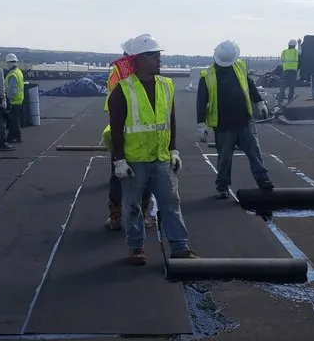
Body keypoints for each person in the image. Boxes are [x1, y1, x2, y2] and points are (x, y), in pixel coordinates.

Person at [108, 33, 198, 265]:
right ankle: (136, 248)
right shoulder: (122, 89)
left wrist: (174, 150)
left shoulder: (167, 86)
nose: (159, 59)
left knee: (171, 203)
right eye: (153, 56)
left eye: (159, 55)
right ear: (139, 59)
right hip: (135, 159)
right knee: (133, 205)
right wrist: (119, 160)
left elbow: (171, 120)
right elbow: (115, 128)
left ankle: (180, 248)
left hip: (161, 157)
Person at [196, 40, 273, 199]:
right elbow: (201, 100)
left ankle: (263, 179)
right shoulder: (207, 76)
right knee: (225, 157)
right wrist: (201, 123)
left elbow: (250, 86)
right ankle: (222, 186)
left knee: (254, 151)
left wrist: (259, 102)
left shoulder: (239, 67)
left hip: (244, 120)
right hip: (223, 124)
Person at [104, 37, 153, 232]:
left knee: (129, 176)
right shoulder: (126, 74)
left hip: (135, 130)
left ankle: (121, 216)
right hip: (128, 130)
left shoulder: (119, 72)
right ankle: (121, 215)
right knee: (125, 176)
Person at [4, 53, 25, 144]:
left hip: (14, 100)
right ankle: (13, 137)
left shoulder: (12, 75)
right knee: (15, 119)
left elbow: (11, 90)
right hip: (19, 99)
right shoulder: (18, 72)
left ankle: (14, 137)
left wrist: (8, 99)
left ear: (9, 63)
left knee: (13, 121)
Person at [279, 39, 300, 107]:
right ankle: (289, 102)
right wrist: (299, 43)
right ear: (294, 46)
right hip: (293, 72)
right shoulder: (296, 52)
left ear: (289, 45)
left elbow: (282, 60)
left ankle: (280, 102)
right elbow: (300, 52)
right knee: (291, 87)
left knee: (282, 87)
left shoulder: (284, 52)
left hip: (285, 72)